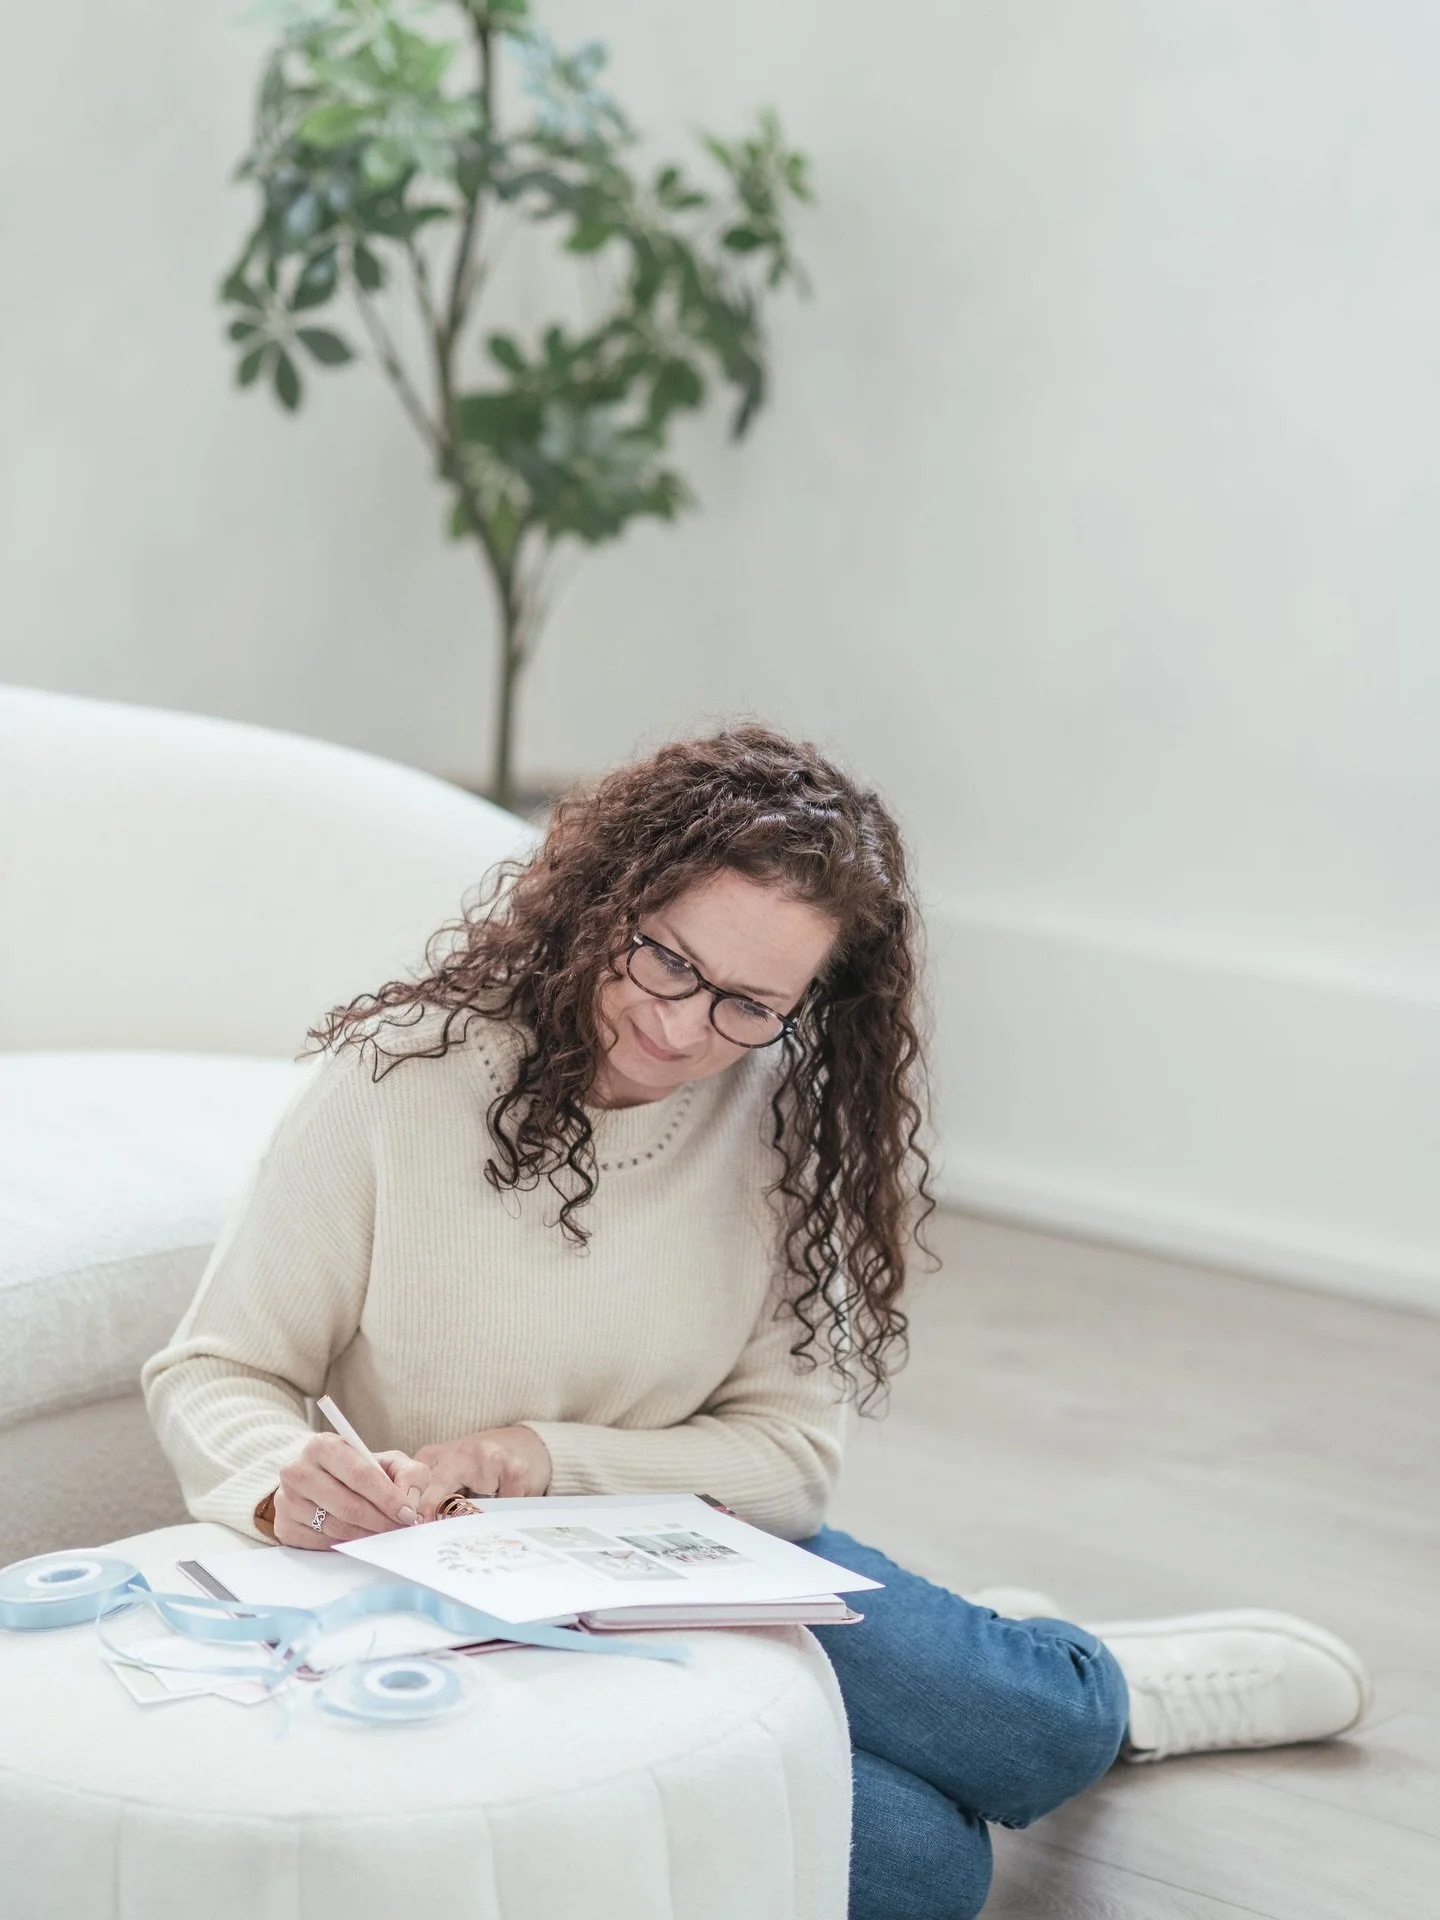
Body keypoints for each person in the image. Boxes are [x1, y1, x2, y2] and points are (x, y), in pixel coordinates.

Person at [143, 725, 1370, 1920]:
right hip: (464, 1604)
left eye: (746, 1004)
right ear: (604, 896)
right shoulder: (399, 1081)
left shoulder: (783, 1119)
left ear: (808, 1005)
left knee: (1039, 1729)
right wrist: (274, 1482)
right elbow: (220, 1368)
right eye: (667, 959)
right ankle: (978, 1662)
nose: (682, 1030)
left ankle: (1091, 1683)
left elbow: (789, 1459)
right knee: (916, 1873)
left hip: (688, 1555)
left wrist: (533, 1458)